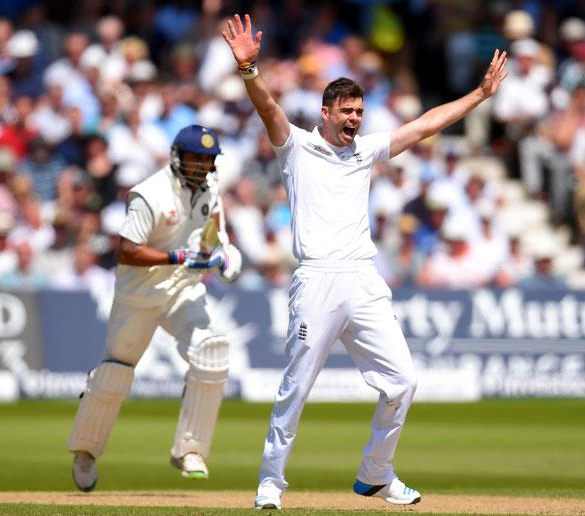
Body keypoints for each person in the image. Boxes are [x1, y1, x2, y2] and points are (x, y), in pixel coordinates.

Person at [222, 14, 507, 510]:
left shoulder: (365, 151)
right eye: (347, 111)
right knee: (297, 385)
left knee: (403, 381)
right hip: (316, 281)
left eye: (359, 110)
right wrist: (249, 69)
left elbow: (424, 124)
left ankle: (376, 474)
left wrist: (480, 95)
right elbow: (268, 107)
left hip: (363, 279)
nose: (355, 118)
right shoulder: (297, 146)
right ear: (326, 111)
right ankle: (271, 482)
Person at [67, 124, 242, 491]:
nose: (201, 166)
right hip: (139, 296)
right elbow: (127, 250)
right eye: (195, 158)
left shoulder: (211, 189)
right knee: (116, 372)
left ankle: (189, 449)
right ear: (178, 157)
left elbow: (217, 238)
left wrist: (225, 260)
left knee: (211, 353)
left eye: (208, 160)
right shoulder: (149, 194)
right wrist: (175, 256)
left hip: (183, 291)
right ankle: (85, 451)